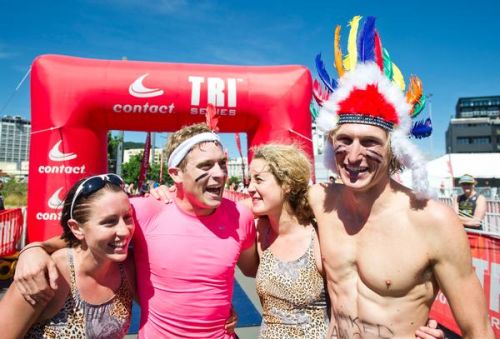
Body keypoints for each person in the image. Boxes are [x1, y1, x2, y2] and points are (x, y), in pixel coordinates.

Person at [309, 16, 493, 338]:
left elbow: (478, 329)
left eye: (369, 143)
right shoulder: (320, 201)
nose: (353, 156)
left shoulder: (432, 222)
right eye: (344, 141)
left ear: (393, 151)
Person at [14, 123, 253, 338]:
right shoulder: (144, 211)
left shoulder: (240, 216)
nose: (220, 173)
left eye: (222, 163)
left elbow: (253, 269)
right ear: (175, 174)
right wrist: (33, 249)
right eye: (206, 165)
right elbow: (85, 236)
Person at [0, 173, 135, 338]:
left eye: (128, 217)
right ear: (77, 228)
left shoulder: (128, 268)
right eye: (109, 222)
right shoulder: (46, 275)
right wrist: (32, 249)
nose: (124, 230)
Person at [248, 143, 329, 338]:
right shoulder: (260, 231)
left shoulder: (319, 235)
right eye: (250, 180)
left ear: (287, 184)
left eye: (258, 179)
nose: (250, 188)